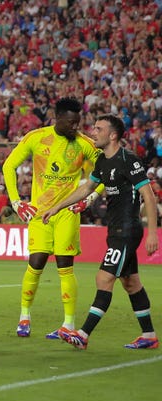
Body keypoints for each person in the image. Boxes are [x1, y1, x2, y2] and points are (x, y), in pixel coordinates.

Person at [42, 114, 159, 350]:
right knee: (131, 283)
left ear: (113, 135)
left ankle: (83, 335)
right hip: (115, 230)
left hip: (127, 229)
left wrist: (153, 233)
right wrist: (57, 206)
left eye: (98, 129)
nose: (93, 132)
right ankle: (148, 335)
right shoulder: (103, 162)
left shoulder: (129, 160)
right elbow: (86, 188)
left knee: (104, 278)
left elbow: (148, 195)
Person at [2, 97, 104, 339]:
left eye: (78, 123)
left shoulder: (84, 144)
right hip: (39, 212)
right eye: (71, 123)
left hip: (67, 213)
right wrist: (17, 202)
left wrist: (90, 198)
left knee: (65, 266)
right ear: (57, 118)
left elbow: (104, 171)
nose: (75, 128)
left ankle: (68, 324)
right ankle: (24, 316)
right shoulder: (36, 137)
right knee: (35, 263)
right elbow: (8, 166)